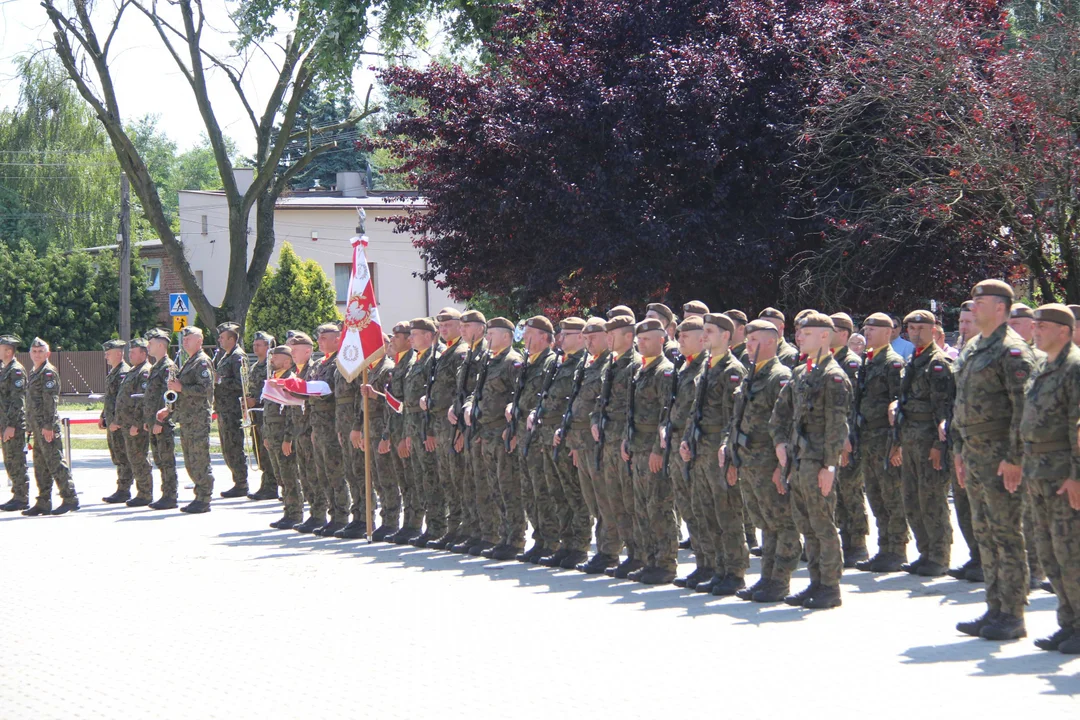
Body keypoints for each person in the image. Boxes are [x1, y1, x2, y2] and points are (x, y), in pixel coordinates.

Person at [952, 279, 1036, 641]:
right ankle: (995, 607)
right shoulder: (974, 347)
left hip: (1000, 454)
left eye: (980, 302)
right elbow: (960, 404)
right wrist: (958, 450)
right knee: (984, 533)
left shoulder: (1012, 350)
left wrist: (1015, 458)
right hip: (974, 453)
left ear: (1000, 307)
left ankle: (1013, 614)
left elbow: (1024, 409)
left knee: (1006, 534)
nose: (973, 308)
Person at [771, 313, 851, 609]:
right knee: (806, 525)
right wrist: (780, 444)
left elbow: (836, 426)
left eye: (806, 333)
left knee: (823, 525)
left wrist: (830, 466)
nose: (799, 338)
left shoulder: (833, 376)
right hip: (798, 460)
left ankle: (830, 587)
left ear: (823, 337)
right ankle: (815, 582)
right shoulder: (800, 373)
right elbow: (780, 414)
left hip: (818, 462)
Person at [727, 319, 798, 602]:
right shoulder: (752, 375)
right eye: (747, 340)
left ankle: (780, 581)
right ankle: (767, 577)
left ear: (771, 342)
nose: (748, 345)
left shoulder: (779, 376)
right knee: (766, 523)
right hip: (750, 461)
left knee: (783, 523)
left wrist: (783, 467)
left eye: (753, 340)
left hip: (770, 462)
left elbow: (788, 424)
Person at [1023, 304, 1080, 654]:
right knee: (1049, 553)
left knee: (1071, 553)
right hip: (1040, 473)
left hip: (1063, 475)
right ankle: (1069, 622)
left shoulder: (1074, 368)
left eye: (1042, 326)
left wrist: (1077, 476)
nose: (1035, 330)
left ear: (1063, 330)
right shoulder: (1044, 365)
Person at [684, 313, 749, 595]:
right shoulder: (707, 367)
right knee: (705, 512)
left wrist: (728, 450)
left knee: (727, 514)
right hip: (701, 449)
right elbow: (694, 412)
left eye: (709, 331)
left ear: (726, 335)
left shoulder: (732, 370)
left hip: (718, 450)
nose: (705, 336)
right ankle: (716, 568)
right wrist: (687, 440)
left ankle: (735, 572)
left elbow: (734, 417)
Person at [894, 310, 955, 577]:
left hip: (928, 440)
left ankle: (940, 556)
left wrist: (939, 446)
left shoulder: (938, 363)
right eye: (911, 329)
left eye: (920, 328)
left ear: (933, 330)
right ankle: (925, 551)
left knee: (932, 500)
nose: (915, 333)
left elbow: (944, 409)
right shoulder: (913, 360)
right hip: (909, 439)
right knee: (912, 498)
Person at [461, 317, 525, 557]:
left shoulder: (513, 361)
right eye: (487, 335)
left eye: (492, 334)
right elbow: (476, 393)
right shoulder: (489, 362)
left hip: (502, 432)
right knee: (494, 487)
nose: (487, 338)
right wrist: (469, 406)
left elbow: (519, 397)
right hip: (485, 433)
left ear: (506, 337)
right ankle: (500, 535)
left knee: (508, 487)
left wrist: (514, 429)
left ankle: (515, 539)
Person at [560, 317, 619, 573]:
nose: (589, 342)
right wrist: (573, 441)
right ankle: (602, 549)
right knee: (593, 501)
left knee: (606, 501)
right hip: (582, 442)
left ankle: (609, 552)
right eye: (586, 337)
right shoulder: (587, 365)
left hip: (599, 443)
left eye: (593, 337)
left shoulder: (610, 365)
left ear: (608, 337)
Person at [621, 318, 678, 584]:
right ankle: (648, 560)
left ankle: (665, 564)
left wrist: (658, 449)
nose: (641, 343)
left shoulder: (665, 372)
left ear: (661, 340)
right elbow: (630, 412)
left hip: (653, 451)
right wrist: (626, 441)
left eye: (646, 339)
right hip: (637, 448)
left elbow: (666, 415)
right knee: (642, 507)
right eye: (639, 339)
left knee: (659, 507)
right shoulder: (640, 369)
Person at [532, 317, 592, 568]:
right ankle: (565, 543)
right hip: (549, 436)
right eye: (560, 334)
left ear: (581, 337)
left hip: (568, 437)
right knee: (558, 493)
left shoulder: (584, 365)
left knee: (575, 495)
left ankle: (579, 546)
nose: (560, 339)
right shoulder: (560, 363)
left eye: (566, 334)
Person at [853, 312, 909, 573]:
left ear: (888, 332)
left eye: (873, 330)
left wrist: (897, 444)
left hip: (885, 439)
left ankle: (897, 550)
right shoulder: (869, 361)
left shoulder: (893, 363)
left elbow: (899, 405)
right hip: (868, 439)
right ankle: (884, 548)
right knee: (875, 495)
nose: (867, 334)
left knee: (891, 496)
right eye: (866, 329)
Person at [595, 312, 643, 578]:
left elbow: (634, 408)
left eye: (613, 335)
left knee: (630, 502)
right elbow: (601, 402)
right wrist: (594, 419)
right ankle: (623, 553)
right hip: (608, 441)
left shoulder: (635, 364)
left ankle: (638, 554)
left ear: (628, 336)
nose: (608, 339)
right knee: (614, 501)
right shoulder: (611, 364)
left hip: (624, 443)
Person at [422, 308, 470, 549]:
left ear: (460, 326)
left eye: (448, 325)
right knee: (446, 479)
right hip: (439, 423)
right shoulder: (441, 352)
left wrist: (460, 429)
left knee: (457, 477)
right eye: (440, 326)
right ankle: (453, 528)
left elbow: (463, 392)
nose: (443, 329)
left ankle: (462, 528)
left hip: (452, 425)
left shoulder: (460, 353)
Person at [665, 316, 707, 587]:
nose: (679, 340)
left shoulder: (706, 368)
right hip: (679, 447)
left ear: (702, 339)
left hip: (698, 448)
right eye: (678, 336)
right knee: (689, 508)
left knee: (705, 509)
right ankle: (705, 564)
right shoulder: (685, 367)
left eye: (685, 337)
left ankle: (722, 566)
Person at [512, 316, 559, 562]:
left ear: (543, 336)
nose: (525, 339)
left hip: (540, 437)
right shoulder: (528, 363)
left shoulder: (550, 363)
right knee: (529, 490)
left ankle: (551, 540)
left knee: (543, 490)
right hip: (524, 436)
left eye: (530, 333)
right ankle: (540, 537)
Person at [159, 327, 216, 514]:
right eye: (183, 339)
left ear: (199, 341)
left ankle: (204, 497)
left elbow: (205, 390)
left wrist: (181, 387)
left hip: (198, 418)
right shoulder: (189, 361)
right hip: (187, 417)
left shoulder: (202, 362)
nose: (185, 342)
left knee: (199, 458)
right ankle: (199, 495)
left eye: (188, 339)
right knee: (191, 459)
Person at [23, 338, 79, 516]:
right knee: (40, 465)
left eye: (40, 351)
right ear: (30, 353)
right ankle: (43, 501)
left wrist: (48, 426)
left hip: (47, 427)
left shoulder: (48, 373)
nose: (37, 354)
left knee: (55, 463)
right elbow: (32, 402)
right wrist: (31, 425)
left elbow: (50, 402)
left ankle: (70, 498)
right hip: (37, 426)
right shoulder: (34, 372)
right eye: (34, 351)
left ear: (48, 354)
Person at [446, 310, 488, 551]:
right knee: (468, 482)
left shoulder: (483, 354)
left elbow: (480, 393)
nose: (461, 330)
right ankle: (471, 530)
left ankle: (484, 532)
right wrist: (455, 409)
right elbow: (461, 392)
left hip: (477, 427)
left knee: (480, 483)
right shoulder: (469, 354)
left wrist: (463, 430)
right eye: (460, 327)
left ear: (480, 329)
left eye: (466, 326)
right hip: (463, 424)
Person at [948, 299, 982, 582]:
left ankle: (985, 560)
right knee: (963, 502)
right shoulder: (964, 352)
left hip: (985, 444)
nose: (963, 326)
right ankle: (976, 555)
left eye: (968, 321)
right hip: (961, 439)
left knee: (983, 507)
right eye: (960, 321)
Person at [831, 312, 870, 567]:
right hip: (833, 437)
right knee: (837, 493)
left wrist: (846, 438)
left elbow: (852, 405)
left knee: (850, 492)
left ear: (843, 334)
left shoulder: (851, 362)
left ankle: (857, 545)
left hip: (848, 438)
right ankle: (845, 541)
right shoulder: (828, 361)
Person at [402, 317, 444, 545]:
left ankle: (438, 526)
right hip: (414, 428)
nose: (410, 338)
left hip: (427, 429)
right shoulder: (416, 360)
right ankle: (431, 525)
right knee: (421, 479)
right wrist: (409, 432)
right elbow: (410, 402)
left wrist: (429, 432)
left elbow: (431, 399)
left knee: (431, 478)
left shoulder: (434, 360)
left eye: (414, 334)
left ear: (428, 336)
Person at [308, 322, 351, 537]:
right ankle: (333, 514)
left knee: (336, 473)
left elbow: (338, 393)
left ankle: (342, 515)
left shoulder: (341, 362)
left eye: (324, 338)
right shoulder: (318, 364)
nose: (320, 341)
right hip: (319, 425)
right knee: (323, 474)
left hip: (334, 425)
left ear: (337, 339)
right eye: (319, 338)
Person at [361, 334, 403, 540]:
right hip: (370, 427)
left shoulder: (387, 368)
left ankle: (391, 520)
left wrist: (387, 434)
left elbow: (392, 403)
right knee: (377, 477)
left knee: (387, 477)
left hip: (381, 426)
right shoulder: (368, 370)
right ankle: (384, 518)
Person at [265, 344, 305, 530]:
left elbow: (291, 411)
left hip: (283, 436)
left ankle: (295, 513)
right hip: (272, 434)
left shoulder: (290, 380)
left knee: (289, 475)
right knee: (281, 475)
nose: (272, 359)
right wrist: (266, 434)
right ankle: (288, 510)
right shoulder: (274, 378)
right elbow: (268, 410)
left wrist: (288, 438)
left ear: (287, 361)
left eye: (276, 357)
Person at [286, 332, 321, 533]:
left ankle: (319, 513)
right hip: (299, 429)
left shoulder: (313, 370)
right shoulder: (295, 372)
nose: (292, 354)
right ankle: (313, 513)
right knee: (305, 474)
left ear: (307, 351)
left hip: (311, 428)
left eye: (295, 350)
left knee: (315, 474)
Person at [115, 338, 154, 506]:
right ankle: (140, 492)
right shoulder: (134, 370)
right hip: (127, 424)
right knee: (133, 458)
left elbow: (142, 400)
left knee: (139, 458)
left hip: (135, 425)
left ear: (143, 354)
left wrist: (137, 424)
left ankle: (145, 493)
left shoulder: (144, 372)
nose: (129, 354)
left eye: (133, 352)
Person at [144, 328, 179, 510]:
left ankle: (170, 495)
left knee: (166, 460)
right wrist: (148, 420)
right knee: (159, 460)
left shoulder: (168, 367)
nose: (148, 347)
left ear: (160, 345)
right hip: (153, 423)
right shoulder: (156, 366)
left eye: (150, 343)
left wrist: (160, 421)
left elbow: (169, 397)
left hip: (162, 423)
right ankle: (166, 493)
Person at [213, 322, 249, 497]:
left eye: (222, 337)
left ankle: (241, 483)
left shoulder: (237, 357)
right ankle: (238, 480)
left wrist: (219, 380)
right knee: (227, 446)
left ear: (232, 339)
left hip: (232, 409)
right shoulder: (225, 355)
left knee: (234, 445)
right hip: (223, 408)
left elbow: (242, 384)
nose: (219, 340)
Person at [246, 331, 279, 501]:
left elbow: (270, 390)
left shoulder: (271, 366)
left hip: (265, 412)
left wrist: (256, 400)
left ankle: (271, 486)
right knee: (258, 449)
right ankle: (265, 484)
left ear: (268, 347)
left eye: (259, 344)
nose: (255, 346)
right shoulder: (254, 366)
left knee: (267, 451)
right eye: (254, 344)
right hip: (255, 415)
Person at [100, 339, 133, 504]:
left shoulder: (123, 373)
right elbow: (110, 398)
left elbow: (122, 400)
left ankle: (124, 489)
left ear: (119, 354)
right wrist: (103, 416)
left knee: (123, 456)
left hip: (119, 423)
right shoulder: (114, 371)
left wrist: (116, 421)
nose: (106, 355)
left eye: (109, 352)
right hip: (112, 421)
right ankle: (122, 487)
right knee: (117, 455)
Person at [0, 334, 30, 512]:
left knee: (16, 460)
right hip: (5, 423)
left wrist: (11, 425)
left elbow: (17, 401)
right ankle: (17, 494)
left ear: (9, 351)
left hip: (14, 425)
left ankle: (22, 497)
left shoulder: (16, 370)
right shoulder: (5, 369)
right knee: (10, 460)